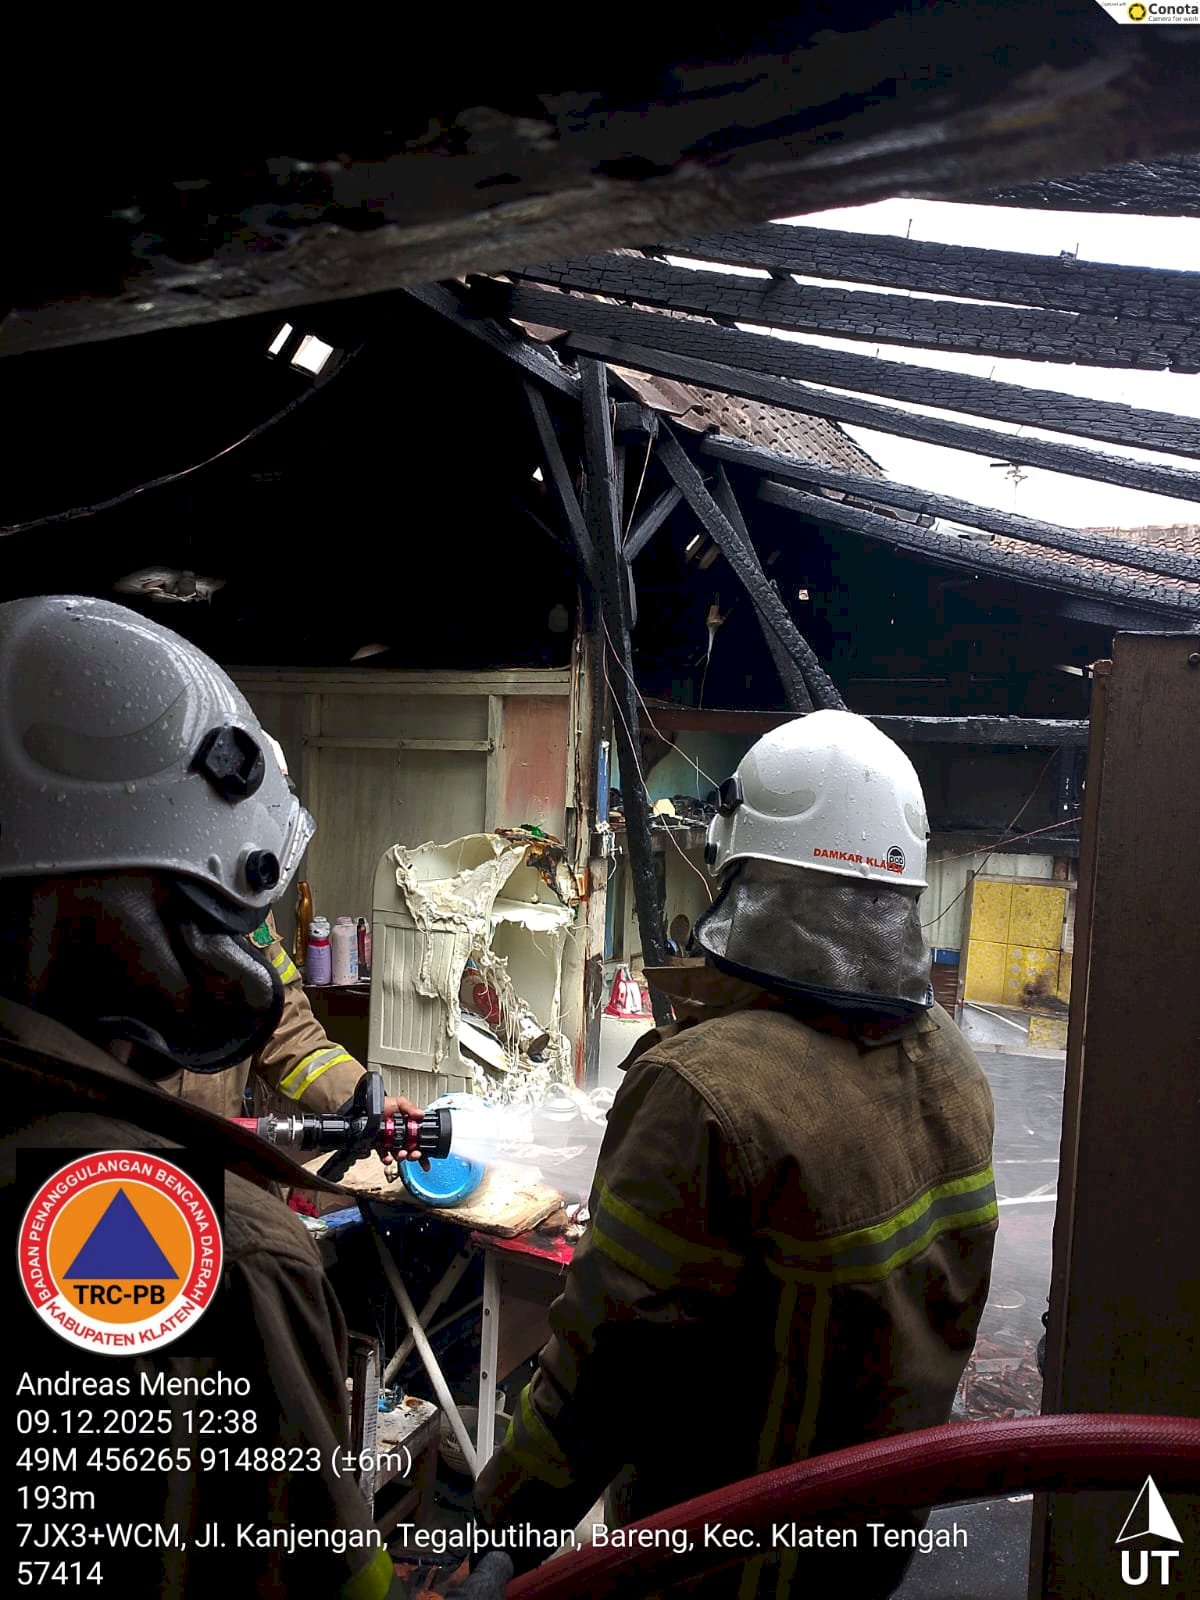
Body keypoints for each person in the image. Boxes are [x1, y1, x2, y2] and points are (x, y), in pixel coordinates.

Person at [0, 595, 511, 1600]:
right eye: (213, 902)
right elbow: (332, 1567)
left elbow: (290, 1036)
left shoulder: (225, 952)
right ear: (127, 900)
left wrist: (368, 1099)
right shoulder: (238, 1256)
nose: (237, 937)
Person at [475, 711, 997, 1598]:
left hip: (722, 1567)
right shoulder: (948, 1061)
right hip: (865, 1555)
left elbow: (608, 1363)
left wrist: (503, 1533)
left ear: (744, 868)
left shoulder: (705, 1089)